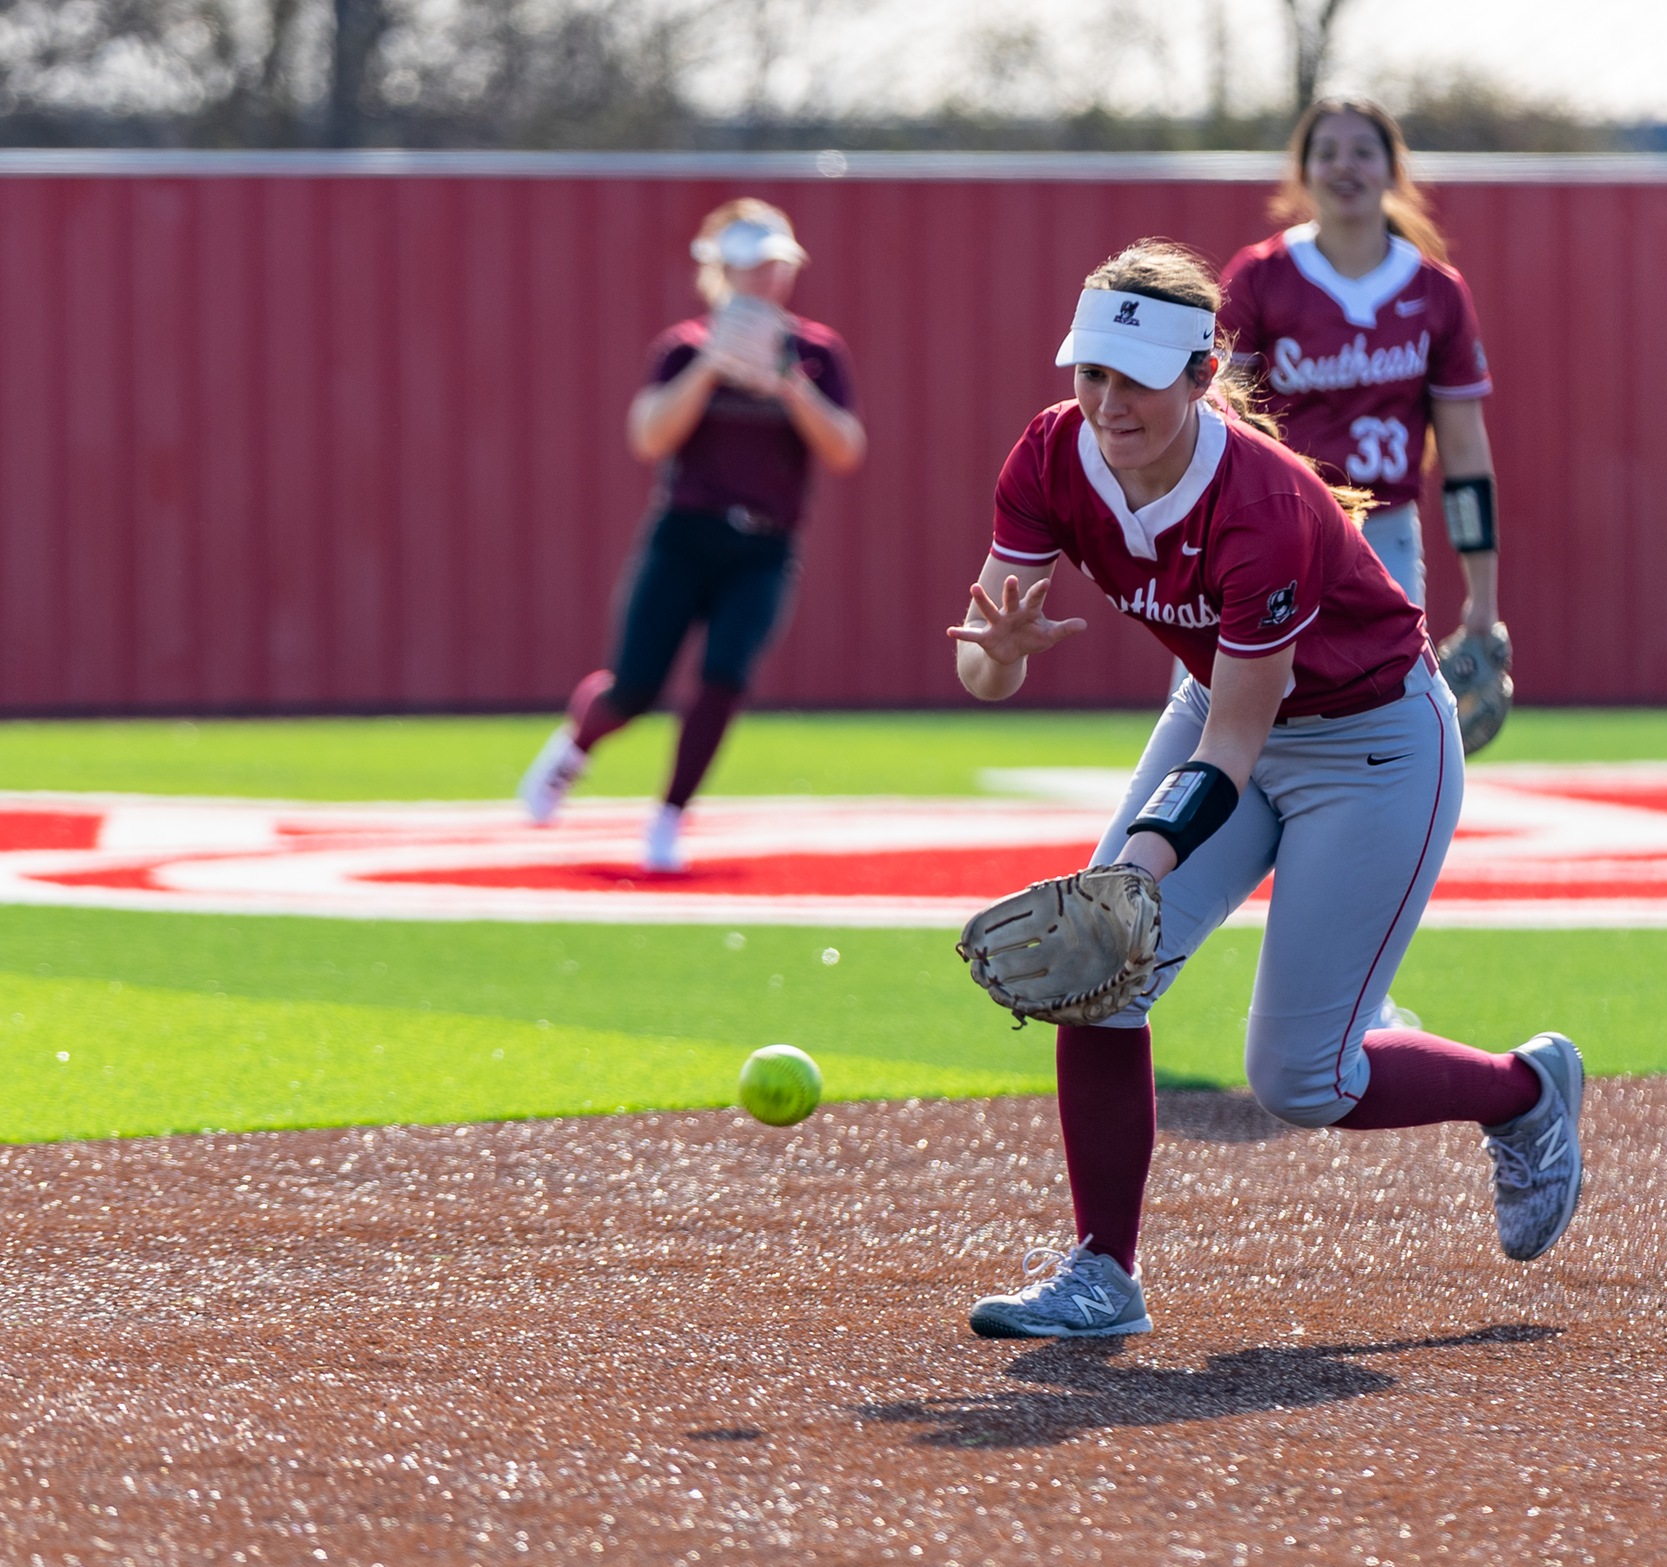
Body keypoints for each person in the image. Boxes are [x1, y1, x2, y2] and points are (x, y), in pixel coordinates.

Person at [947, 240, 1586, 1338]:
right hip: (1219, 717)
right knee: (1106, 980)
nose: (1107, 401)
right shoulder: (1049, 457)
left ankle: (1523, 1095)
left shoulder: (1262, 503)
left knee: (1299, 1079)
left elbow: (1236, 749)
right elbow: (980, 669)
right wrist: (1001, 652)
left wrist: (1129, 880)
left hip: (1370, 745)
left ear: (1199, 375)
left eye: (1136, 377)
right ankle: (1103, 1272)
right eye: (1090, 372)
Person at [516, 199, 867, 865]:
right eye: (754, 268)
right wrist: (713, 365)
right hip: (684, 536)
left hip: (765, 547)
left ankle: (669, 818)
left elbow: (845, 448)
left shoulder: (815, 351)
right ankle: (575, 745)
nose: (768, 280)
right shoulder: (684, 347)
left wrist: (787, 382)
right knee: (635, 687)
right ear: (725, 272)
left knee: (724, 675)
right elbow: (649, 436)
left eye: (776, 267)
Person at [1218, 97, 1499, 644]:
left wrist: (1483, 602)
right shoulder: (1258, 278)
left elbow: (1465, 454)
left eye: (1363, 152)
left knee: (1387, 716)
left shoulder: (1435, 289)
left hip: (1385, 532)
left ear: (1394, 170)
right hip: (1269, 529)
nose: (1345, 166)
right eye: (1327, 153)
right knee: (1221, 715)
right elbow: (1215, 426)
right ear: (1302, 173)